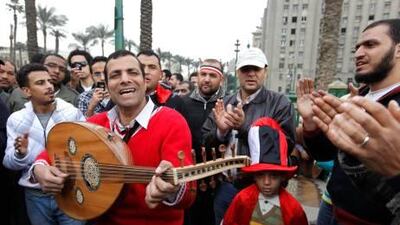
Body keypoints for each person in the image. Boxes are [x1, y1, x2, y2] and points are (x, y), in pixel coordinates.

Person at [32, 50, 196, 225]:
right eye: (115, 75)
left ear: (144, 80)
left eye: (132, 72)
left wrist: (172, 190)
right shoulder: (96, 123)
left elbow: (187, 196)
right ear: (108, 85)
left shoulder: (172, 121)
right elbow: (51, 152)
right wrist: (39, 169)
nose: (125, 79)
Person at [297, 19, 400, 224]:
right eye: (357, 47)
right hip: (333, 209)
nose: (358, 53)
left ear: (398, 50)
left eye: (370, 45)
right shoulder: (354, 100)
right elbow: (324, 153)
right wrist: (310, 122)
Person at [202, 47, 295, 224]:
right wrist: (221, 132)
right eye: (246, 69)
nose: (251, 74)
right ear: (238, 73)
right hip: (225, 187)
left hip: (261, 189)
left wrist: (245, 127)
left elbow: (286, 144)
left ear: (265, 72)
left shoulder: (280, 103)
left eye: (256, 69)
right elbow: (204, 139)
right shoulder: (225, 102)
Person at [2, 63, 85, 225]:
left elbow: (87, 147)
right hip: (35, 196)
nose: (49, 86)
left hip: (70, 191)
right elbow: (8, 162)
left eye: (49, 81)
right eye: (40, 83)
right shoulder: (16, 120)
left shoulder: (71, 113)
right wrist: (20, 153)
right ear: (26, 91)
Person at [222, 117, 307, 225]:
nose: (266, 182)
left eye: (274, 176)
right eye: (261, 175)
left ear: (282, 176)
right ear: (254, 176)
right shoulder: (242, 199)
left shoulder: (294, 209)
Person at [182, 59, 225, 225]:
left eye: (212, 75)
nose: (207, 79)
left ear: (221, 79)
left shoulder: (228, 103)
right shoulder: (183, 102)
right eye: (203, 74)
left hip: (218, 178)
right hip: (189, 176)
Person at [7, 53, 79, 112]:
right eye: (51, 66)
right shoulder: (17, 93)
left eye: (62, 69)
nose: (57, 71)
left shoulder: (74, 97)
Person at [137, 50, 188, 117]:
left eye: (152, 67)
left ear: (161, 74)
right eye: (141, 67)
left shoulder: (175, 101)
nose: (146, 72)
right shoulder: (122, 100)